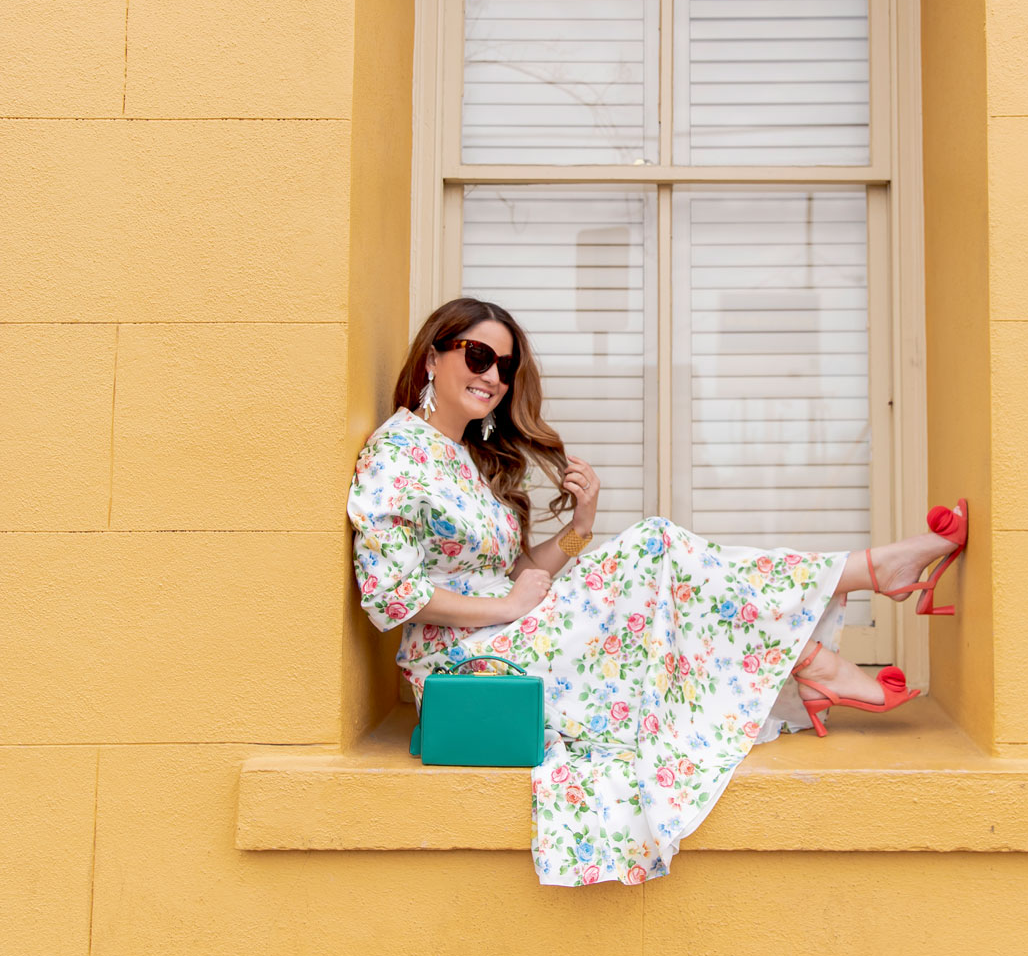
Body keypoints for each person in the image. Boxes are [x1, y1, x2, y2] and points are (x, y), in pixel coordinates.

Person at [348, 298, 967, 888]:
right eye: (478, 357)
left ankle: (823, 645)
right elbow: (390, 596)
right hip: (467, 670)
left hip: (507, 635)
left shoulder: (466, 459)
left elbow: (512, 574)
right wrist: (509, 608)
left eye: (505, 367)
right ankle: (853, 598)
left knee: (657, 560)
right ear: (432, 358)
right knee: (654, 547)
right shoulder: (396, 454)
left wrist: (579, 528)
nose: (493, 377)